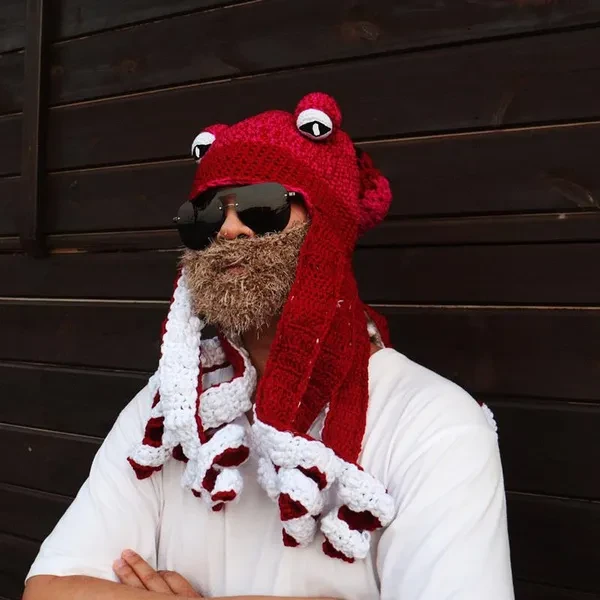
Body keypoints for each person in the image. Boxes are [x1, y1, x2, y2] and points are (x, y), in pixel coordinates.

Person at [23, 93, 514, 600]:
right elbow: (48, 591)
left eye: (263, 206)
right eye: (206, 214)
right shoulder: (169, 414)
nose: (229, 229)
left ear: (329, 226)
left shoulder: (436, 425)